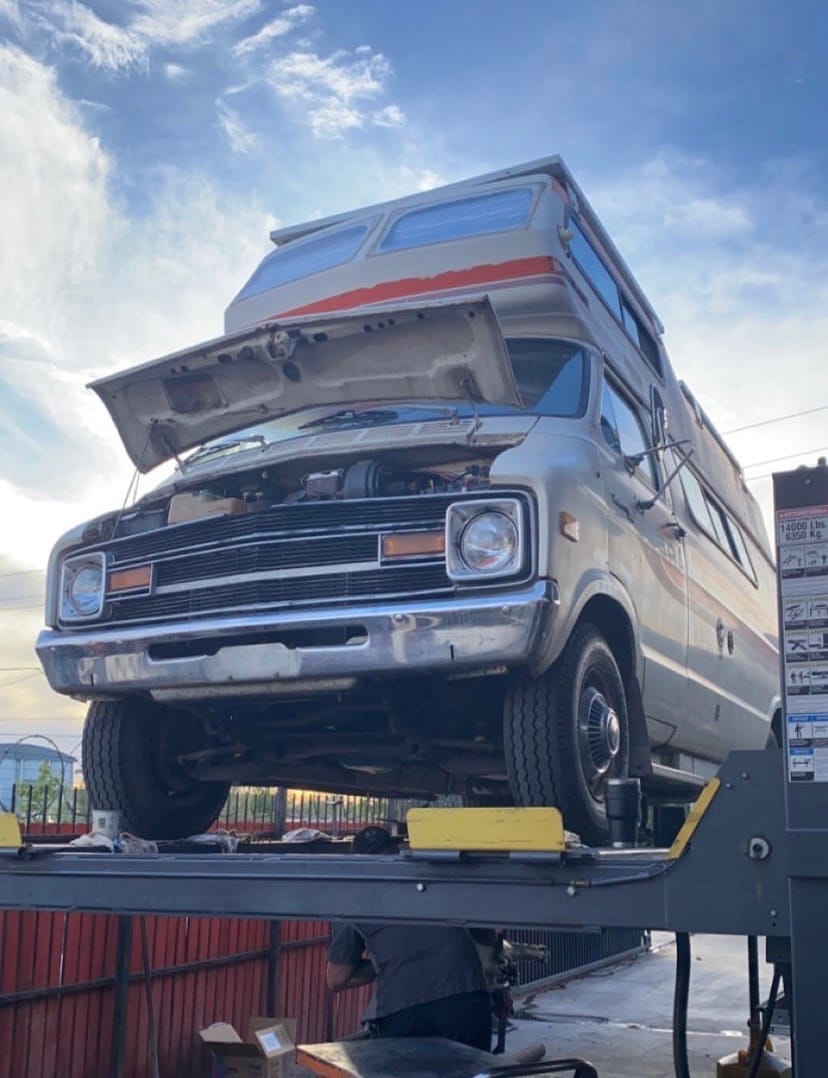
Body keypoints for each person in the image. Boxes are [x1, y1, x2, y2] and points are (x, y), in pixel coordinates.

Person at [326, 825, 492, 1051]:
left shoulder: (357, 897)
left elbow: (336, 978)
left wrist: (388, 964)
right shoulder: (437, 877)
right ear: (397, 850)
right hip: (468, 1002)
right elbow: (487, 935)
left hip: (405, 1011)